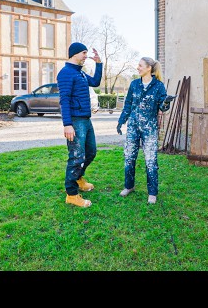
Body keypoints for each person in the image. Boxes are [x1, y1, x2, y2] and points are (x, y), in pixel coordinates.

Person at [116, 57, 173, 204]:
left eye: (140, 66)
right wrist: (121, 120)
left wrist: (166, 102)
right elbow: (128, 104)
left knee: (150, 161)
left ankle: (152, 193)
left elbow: (163, 108)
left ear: (149, 68)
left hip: (149, 129)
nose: (138, 68)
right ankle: (129, 186)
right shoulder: (134, 84)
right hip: (133, 127)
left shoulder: (159, 86)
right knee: (129, 157)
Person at [57, 42, 103, 207]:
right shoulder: (66, 73)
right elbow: (64, 100)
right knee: (76, 157)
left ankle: (77, 178)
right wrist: (67, 124)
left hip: (86, 119)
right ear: (74, 54)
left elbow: (96, 82)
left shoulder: (80, 73)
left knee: (91, 152)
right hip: (75, 121)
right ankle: (71, 194)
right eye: (84, 53)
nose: (86, 56)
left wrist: (99, 63)